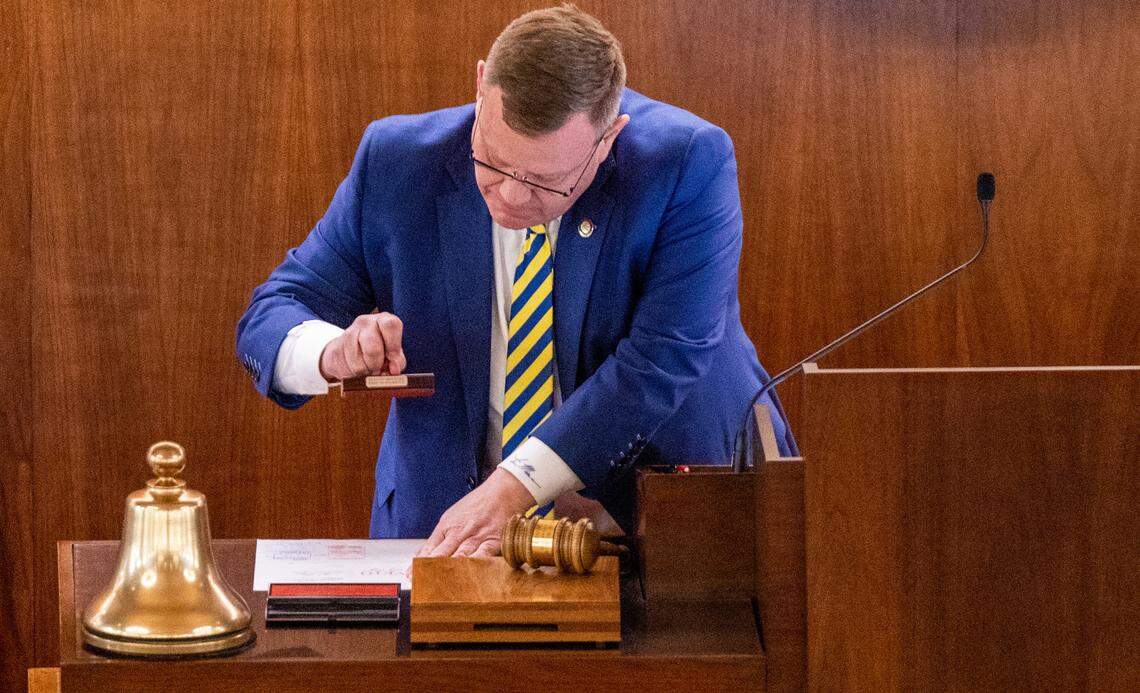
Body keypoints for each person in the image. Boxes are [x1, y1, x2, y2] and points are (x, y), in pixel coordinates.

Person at [236, 5, 795, 558]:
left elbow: (663, 357)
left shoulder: (687, 161)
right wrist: (330, 352)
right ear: (481, 86)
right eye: (494, 162)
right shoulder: (398, 160)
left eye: (548, 182)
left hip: (661, 520)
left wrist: (515, 486)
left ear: (608, 138)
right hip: (449, 531)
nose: (511, 196)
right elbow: (275, 311)